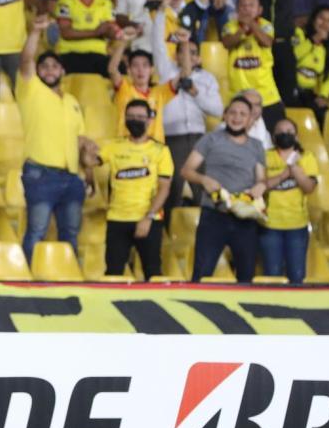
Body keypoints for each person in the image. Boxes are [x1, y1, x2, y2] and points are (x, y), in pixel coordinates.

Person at [17, 14, 93, 263]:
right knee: (36, 232)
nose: (49, 71)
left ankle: (66, 281)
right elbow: (26, 60)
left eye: (54, 67)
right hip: (40, 173)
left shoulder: (72, 101)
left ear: (62, 71)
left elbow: (80, 141)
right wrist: (36, 32)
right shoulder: (32, 90)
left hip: (71, 176)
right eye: (44, 67)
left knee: (70, 234)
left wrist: (89, 175)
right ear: (38, 72)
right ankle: (29, 284)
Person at [181, 96, 268, 282]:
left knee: (246, 277)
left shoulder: (257, 146)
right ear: (225, 116)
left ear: (250, 119)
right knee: (202, 274)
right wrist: (203, 179)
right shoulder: (210, 140)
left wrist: (261, 185)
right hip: (214, 215)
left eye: (242, 114)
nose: (237, 117)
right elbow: (186, 170)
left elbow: (261, 179)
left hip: (245, 216)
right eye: (233, 113)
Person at [91, 99, 174, 279]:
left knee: (152, 273)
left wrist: (148, 217)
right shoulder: (113, 147)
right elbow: (90, 161)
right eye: (131, 117)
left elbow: (164, 188)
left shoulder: (161, 151)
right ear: (125, 119)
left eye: (140, 117)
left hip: (148, 220)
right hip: (117, 218)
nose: (135, 120)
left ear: (149, 120)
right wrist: (83, 146)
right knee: (113, 273)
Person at [161, 36, 223, 221]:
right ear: (176, 56)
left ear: (200, 58)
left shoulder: (207, 78)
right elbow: (157, 43)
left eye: (193, 53)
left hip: (199, 138)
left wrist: (196, 93)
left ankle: (205, 229)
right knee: (174, 186)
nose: (189, 56)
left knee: (201, 187)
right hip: (173, 137)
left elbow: (218, 110)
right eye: (184, 52)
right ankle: (168, 232)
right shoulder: (167, 73)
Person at [260, 119, 319, 283]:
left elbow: (309, 188)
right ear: (273, 137)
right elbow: (261, 187)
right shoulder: (265, 157)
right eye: (280, 131)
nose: (285, 134)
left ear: (296, 136)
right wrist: (284, 175)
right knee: (272, 275)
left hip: (297, 225)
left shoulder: (307, 157)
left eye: (289, 131)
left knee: (297, 275)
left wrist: (296, 171)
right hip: (269, 225)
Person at [222, 0, 283, 131]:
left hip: (266, 95)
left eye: (251, 5)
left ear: (259, 10)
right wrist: (242, 29)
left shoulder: (266, 25)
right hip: (238, 95)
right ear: (237, 9)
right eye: (243, 5)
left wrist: (252, 25)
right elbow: (227, 43)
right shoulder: (229, 26)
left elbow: (267, 42)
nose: (247, 9)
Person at [107, 26, 180, 142]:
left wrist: (185, 43)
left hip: (154, 151)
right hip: (126, 147)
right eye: (135, 66)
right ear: (129, 70)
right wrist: (124, 41)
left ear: (152, 70)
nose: (140, 70)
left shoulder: (159, 92)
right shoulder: (124, 88)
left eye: (145, 66)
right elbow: (112, 70)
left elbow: (185, 73)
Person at [56, 0, 119, 76]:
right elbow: (66, 33)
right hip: (70, 53)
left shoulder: (105, 2)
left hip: (99, 54)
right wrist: (96, 32)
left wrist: (113, 32)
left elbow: (110, 30)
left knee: (120, 69)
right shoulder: (65, 2)